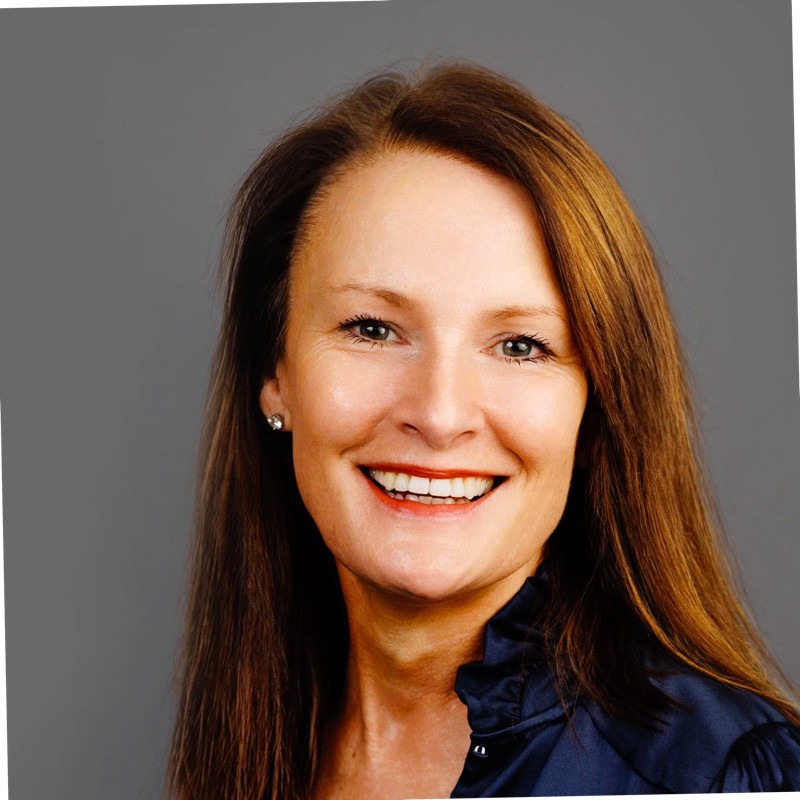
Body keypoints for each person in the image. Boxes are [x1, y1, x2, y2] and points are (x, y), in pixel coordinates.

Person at [167, 62, 800, 799]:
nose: (438, 415)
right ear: (275, 373)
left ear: (597, 406)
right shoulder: (257, 742)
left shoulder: (728, 776)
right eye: (372, 328)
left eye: (520, 346)